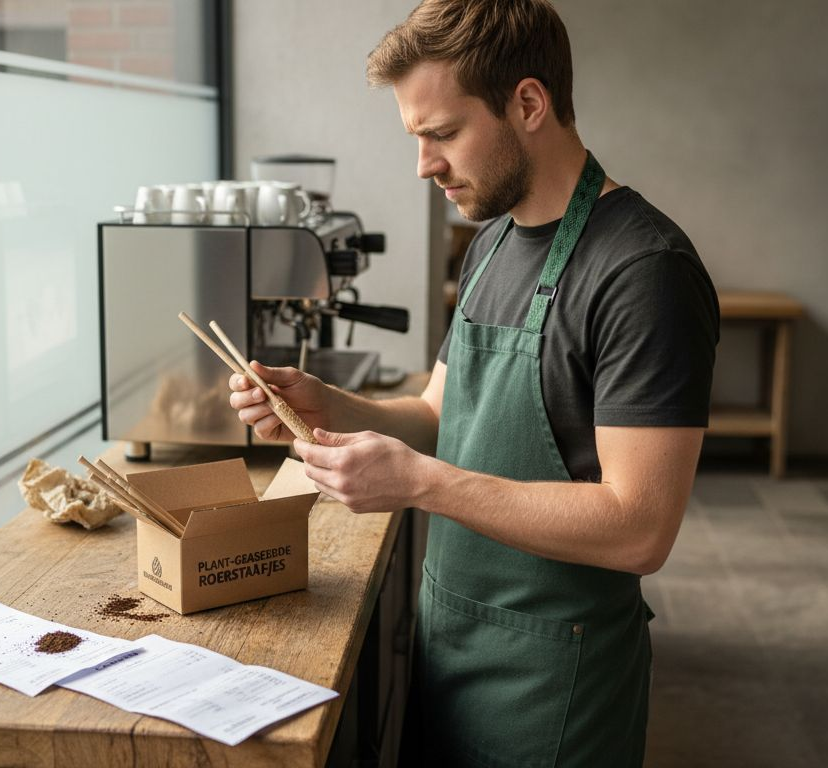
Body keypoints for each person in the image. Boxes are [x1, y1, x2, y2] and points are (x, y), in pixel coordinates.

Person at [226, 1, 718, 764]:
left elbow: (640, 528)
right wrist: (328, 405)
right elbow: (436, 414)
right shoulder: (490, 246)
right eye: (417, 138)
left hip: (555, 686)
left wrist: (421, 484)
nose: (424, 165)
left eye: (444, 134)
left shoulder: (643, 272)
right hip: (451, 647)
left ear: (529, 104)